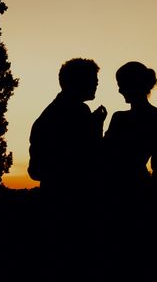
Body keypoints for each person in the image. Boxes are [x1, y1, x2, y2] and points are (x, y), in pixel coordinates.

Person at [28, 58, 108, 210]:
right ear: (78, 82)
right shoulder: (72, 114)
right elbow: (91, 157)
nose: (97, 84)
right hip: (68, 203)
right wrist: (96, 128)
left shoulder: (54, 114)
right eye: (93, 80)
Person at [103, 61, 157, 207]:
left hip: (114, 188)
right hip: (140, 187)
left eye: (121, 84)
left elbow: (104, 155)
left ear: (133, 85)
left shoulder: (119, 118)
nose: (119, 90)